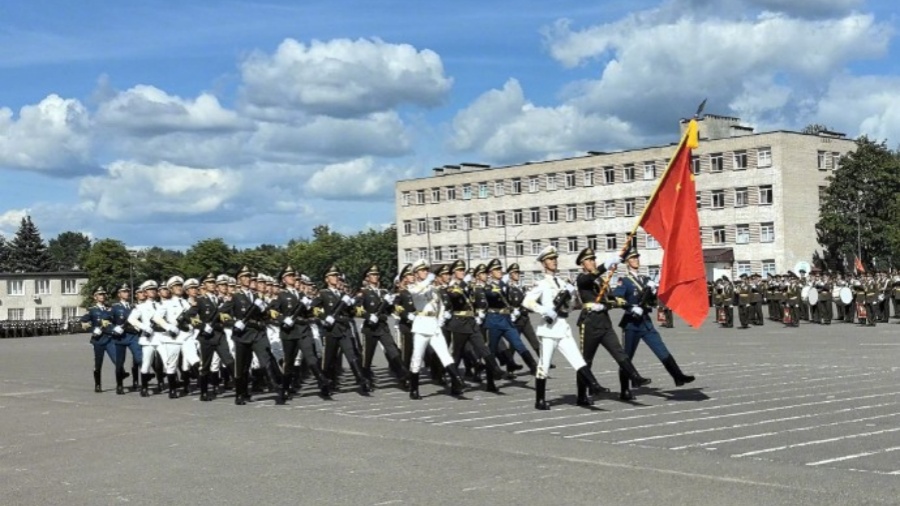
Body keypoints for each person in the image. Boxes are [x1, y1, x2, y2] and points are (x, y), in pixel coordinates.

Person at [522, 246, 608, 410]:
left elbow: (570, 307)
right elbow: (527, 302)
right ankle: (540, 400)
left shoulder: (562, 283)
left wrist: (571, 297)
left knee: (578, 359)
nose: (553, 261)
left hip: (562, 326)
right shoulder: (540, 283)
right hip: (548, 330)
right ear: (543, 263)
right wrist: (543, 310)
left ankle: (595, 386)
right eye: (549, 259)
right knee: (544, 365)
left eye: (554, 258)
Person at [612, 242, 695, 395]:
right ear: (627, 262)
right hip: (631, 324)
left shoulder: (645, 279)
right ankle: (625, 389)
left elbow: (651, 301)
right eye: (633, 258)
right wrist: (631, 308)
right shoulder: (624, 281)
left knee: (661, 349)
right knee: (627, 357)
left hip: (645, 322)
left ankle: (678, 376)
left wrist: (652, 291)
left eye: (637, 257)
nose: (636, 260)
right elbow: (617, 298)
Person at [574, 247, 651, 404]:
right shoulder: (582, 279)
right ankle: (582, 395)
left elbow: (609, 298)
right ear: (582, 264)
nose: (592, 262)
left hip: (604, 322)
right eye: (589, 260)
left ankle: (635, 377)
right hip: (589, 324)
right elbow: (589, 279)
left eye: (593, 259)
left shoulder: (601, 280)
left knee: (619, 352)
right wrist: (607, 264)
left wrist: (618, 304)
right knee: (586, 361)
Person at [406, 259, 464, 399]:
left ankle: (457, 379)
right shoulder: (412, 287)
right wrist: (428, 282)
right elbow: (417, 293)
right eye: (422, 270)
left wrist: (440, 320)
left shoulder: (433, 288)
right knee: (417, 358)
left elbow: (440, 305)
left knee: (445, 354)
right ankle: (414, 389)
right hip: (421, 325)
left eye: (426, 270)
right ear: (416, 273)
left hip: (434, 325)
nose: (425, 272)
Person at [314, 265, 373, 395]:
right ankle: (326, 384)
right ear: (327, 279)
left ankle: (362, 380)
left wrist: (351, 304)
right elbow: (314, 309)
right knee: (329, 359)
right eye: (333, 276)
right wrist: (325, 317)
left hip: (344, 328)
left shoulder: (342, 294)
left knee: (351, 355)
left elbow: (350, 312)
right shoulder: (323, 293)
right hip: (331, 330)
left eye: (337, 276)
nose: (336, 278)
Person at [80, 286, 117, 393]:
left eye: (103, 294)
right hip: (98, 339)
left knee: (117, 360)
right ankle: (98, 384)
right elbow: (83, 323)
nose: (102, 296)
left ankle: (120, 382)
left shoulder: (109, 309)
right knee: (98, 363)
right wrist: (93, 329)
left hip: (110, 338)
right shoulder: (92, 310)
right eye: (100, 295)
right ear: (95, 297)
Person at [110, 284, 142, 394]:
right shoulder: (114, 307)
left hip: (132, 336)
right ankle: (119, 385)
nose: (126, 293)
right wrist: (114, 328)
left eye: (128, 291)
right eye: (124, 291)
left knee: (138, 359)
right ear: (119, 294)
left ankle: (137, 381)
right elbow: (106, 320)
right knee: (119, 362)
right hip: (120, 337)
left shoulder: (134, 307)